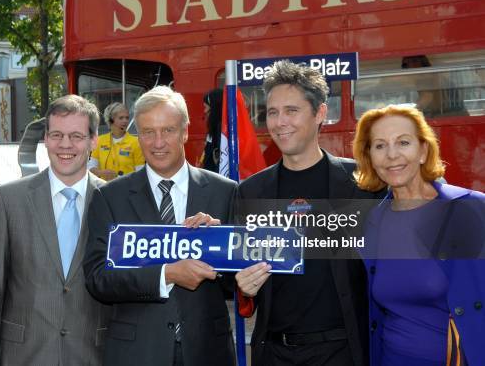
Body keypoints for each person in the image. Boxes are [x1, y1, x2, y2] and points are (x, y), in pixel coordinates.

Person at [234, 60, 382, 366]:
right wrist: (242, 286)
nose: (279, 122)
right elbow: (238, 274)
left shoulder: (363, 184)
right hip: (274, 353)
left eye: (291, 110)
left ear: (320, 113)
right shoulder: (251, 191)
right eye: (272, 112)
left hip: (343, 352)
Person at [83, 86, 237, 366]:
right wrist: (166, 275)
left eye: (167, 130)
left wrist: (218, 246)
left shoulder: (224, 192)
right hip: (137, 353)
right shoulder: (109, 197)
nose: (157, 142)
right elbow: (97, 278)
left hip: (207, 351)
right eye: (148, 132)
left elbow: (237, 284)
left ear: (185, 131)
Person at [0, 95, 112, 366]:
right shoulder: (8, 199)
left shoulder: (114, 201)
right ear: (45, 138)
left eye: (76, 136)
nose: (65, 145)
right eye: (57, 134)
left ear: (94, 140)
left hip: (94, 356)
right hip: (24, 356)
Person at [352, 104, 485, 366]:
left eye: (403, 142)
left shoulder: (471, 209)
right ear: (369, 157)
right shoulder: (373, 221)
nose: (391, 155)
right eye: (379, 146)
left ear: (423, 150)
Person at [89, 102, 144, 180]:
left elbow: (140, 173)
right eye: (121, 118)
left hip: (127, 189)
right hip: (104, 188)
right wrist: (101, 173)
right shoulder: (100, 140)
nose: (125, 121)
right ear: (111, 120)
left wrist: (118, 178)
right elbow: (90, 167)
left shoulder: (136, 142)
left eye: (127, 118)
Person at [198, 88, 222, 173]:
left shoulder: (220, 128)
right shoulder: (215, 127)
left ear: (214, 108)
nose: (204, 111)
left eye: (206, 107)